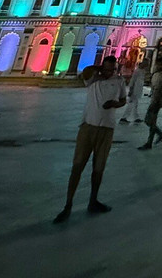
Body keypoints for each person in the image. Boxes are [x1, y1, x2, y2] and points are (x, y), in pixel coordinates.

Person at [53, 55, 126, 223]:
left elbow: (123, 100)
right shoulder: (92, 79)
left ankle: (93, 200)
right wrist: (98, 69)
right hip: (88, 126)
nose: (109, 72)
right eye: (106, 69)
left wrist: (115, 104)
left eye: (112, 69)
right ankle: (68, 204)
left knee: (99, 168)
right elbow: (85, 72)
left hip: (107, 128)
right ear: (101, 67)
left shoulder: (119, 81)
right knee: (78, 165)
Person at [137, 59, 162, 150]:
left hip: (156, 101)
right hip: (155, 100)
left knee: (149, 121)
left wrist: (157, 101)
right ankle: (152, 140)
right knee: (151, 121)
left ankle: (156, 137)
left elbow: (159, 90)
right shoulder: (158, 75)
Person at [119, 59, 147, 124]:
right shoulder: (137, 71)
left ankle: (135, 117)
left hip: (138, 90)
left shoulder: (142, 71)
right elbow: (133, 80)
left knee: (134, 104)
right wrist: (131, 89)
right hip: (134, 90)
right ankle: (124, 117)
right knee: (132, 104)